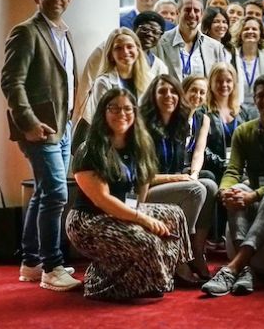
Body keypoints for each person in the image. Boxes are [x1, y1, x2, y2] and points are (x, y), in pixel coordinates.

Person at [67, 89, 191, 300]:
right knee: (146, 240)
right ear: (102, 113)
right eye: (113, 108)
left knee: (175, 215)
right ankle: (100, 286)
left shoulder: (137, 147)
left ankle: (160, 277)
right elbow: (102, 200)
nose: (121, 113)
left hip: (122, 213)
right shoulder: (90, 150)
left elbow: (139, 190)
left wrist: (138, 215)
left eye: (127, 108)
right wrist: (142, 220)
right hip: (89, 221)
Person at [2, 0, 82, 291]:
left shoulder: (64, 32)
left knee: (42, 191)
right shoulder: (26, 31)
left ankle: (31, 262)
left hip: (62, 127)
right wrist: (29, 122)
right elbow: (11, 82)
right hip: (39, 128)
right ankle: (52, 267)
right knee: (56, 194)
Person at [200, 74, 264, 298]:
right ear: (254, 100)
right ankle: (246, 270)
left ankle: (233, 267)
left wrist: (253, 196)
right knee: (237, 190)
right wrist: (226, 191)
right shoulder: (244, 131)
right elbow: (233, 170)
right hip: (255, 196)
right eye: (261, 95)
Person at [138, 73, 219, 282]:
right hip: (141, 193)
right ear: (152, 96)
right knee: (196, 189)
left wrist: (185, 177)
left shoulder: (178, 125)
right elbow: (142, 178)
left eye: (173, 91)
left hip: (165, 185)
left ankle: (196, 250)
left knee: (209, 185)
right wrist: (178, 179)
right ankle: (180, 255)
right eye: (162, 91)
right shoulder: (143, 126)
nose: (169, 96)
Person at [83, 27, 153, 125]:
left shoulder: (150, 79)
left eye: (129, 46)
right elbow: (101, 121)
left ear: (137, 50)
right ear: (111, 55)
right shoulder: (103, 82)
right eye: (118, 48)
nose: (125, 52)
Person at [156, 0, 230, 80]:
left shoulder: (215, 48)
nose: (192, 14)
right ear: (178, 13)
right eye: (187, 10)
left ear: (202, 15)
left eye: (196, 10)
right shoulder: (160, 42)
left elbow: (220, 81)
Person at [199, 62, 240, 183]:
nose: (224, 84)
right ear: (210, 83)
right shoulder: (202, 112)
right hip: (214, 170)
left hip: (238, 170)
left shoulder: (242, 112)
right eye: (219, 80)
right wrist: (224, 165)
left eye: (228, 81)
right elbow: (202, 148)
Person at [234, 15, 264, 121]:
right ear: (240, 33)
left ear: (260, 34)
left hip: (261, 110)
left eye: (254, 29)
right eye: (246, 29)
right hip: (235, 110)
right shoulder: (231, 56)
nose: (250, 31)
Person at [132, 10, 171, 77]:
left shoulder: (160, 67)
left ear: (160, 37)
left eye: (155, 32)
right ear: (134, 29)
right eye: (146, 29)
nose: (150, 34)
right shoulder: (124, 56)